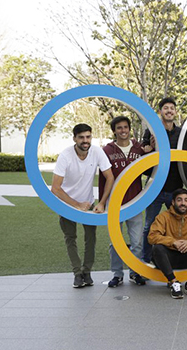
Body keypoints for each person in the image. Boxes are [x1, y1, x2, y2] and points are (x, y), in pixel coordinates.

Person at [51, 123, 114, 288]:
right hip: (66, 203)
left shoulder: (96, 151)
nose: (85, 141)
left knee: (90, 239)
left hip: (89, 202)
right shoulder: (65, 156)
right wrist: (76, 204)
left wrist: (101, 203)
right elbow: (55, 188)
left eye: (88, 137)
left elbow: (110, 177)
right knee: (70, 238)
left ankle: (87, 272)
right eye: (81, 137)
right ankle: (77, 273)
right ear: (74, 139)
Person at [99, 116, 147, 287]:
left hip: (135, 200)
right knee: (116, 242)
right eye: (119, 128)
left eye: (125, 127)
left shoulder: (139, 148)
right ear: (114, 131)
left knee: (137, 242)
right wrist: (102, 202)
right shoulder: (107, 150)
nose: (123, 130)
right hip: (115, 203)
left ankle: (136, 272)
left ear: (129, 128)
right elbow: (103, 178)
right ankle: (117, 274)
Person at [141, 97, 184, 264]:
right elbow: (143, 153)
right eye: (166, 108)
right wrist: (149, 148)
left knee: (176, 227)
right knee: (150, 226)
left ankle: (174, 260)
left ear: (175, 112)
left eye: (172, 108)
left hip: (175, 187)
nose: (169, 111)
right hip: (155, 186)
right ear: (160, 111)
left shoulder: (181, 133)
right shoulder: (151, 131)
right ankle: (146, 260)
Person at [148, 188, 187, 299]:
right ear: (173, 202)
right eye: (179, 200)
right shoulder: (163, 217)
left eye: (186, 200)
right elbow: (152, 236)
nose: (183, 203)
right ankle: (173, 282)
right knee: (157, 248)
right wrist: (173, 242)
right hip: (169, 259)